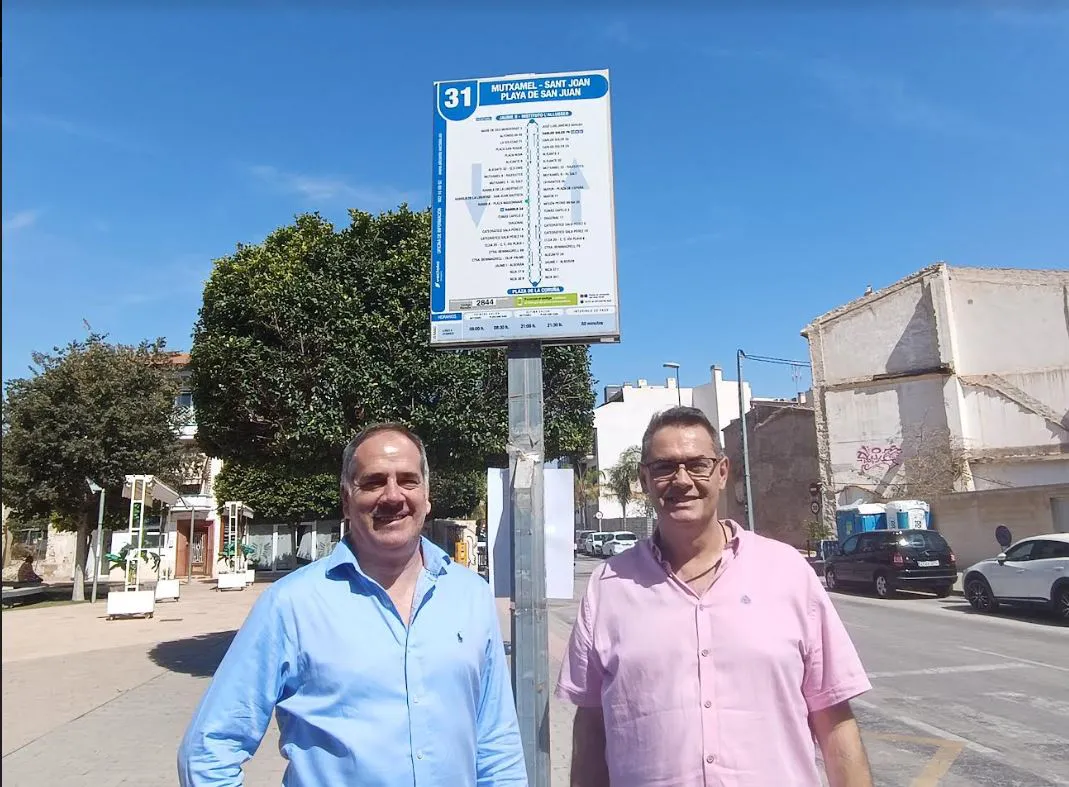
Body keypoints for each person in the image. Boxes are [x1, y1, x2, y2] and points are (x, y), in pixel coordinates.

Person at [178, 423, 528, 786]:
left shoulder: (470, 595)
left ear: (427, 497)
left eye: (408, 480)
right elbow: (209, 748)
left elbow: (496, 744)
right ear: (346, 500)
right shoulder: (292, 604)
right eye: (374, 482)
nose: (393, 496)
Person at [557, 406, 873, 787]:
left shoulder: (788, 573)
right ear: (644, 479)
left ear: (722, 472)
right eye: (664, 467)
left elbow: (834, 717)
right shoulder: (608, 586)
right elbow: (591, 728)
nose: (682, 480)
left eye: (697, 464)